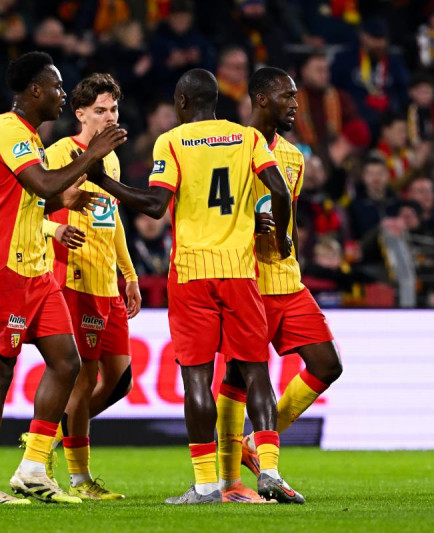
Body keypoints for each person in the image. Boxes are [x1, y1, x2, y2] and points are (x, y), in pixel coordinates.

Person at [84, 68, 294, 505]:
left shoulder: (173, 141)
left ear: (182, 103)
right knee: (255, 371)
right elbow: (280, 190)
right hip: (240, 272)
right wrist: (282, 238)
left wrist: (104, 181)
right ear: (214, 101)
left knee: (197, 377)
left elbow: (155, 205)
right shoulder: (248, 138)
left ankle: (204, 486)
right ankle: (271, 471)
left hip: (192, 274)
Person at [0, 51, 126, 505]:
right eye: (56, 87)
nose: (62, 94)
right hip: (1, 266)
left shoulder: (30, 138)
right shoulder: (8, 130)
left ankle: (32, 469)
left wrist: (63, 202)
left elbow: (38, 199)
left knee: (67, 363)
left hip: (34, 266)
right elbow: (44, 185)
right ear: (34, 90)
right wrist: (91, 155)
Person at [217, 67, 342, 504]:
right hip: (245, 279)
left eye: (295, 96)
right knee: (238, 378)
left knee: (327, 364)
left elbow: (291, 217)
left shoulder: (294, 157)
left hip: (287, 280)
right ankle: (228, 481)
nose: (294, 104)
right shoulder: (230, 147)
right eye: (287, 96)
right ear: (261, 99)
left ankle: (255, 443)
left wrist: (289, 250)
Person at [37, 73, 140, 500]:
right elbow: (26, 209)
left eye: (113, 109)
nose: (109, 117)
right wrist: (53, 230)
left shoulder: (110, 159)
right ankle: (78, 478)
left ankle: (49, 437)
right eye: (100, 110)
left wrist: (129, 275)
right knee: (83, 379)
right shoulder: (60, 153)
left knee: (121, 379)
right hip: (73, 278)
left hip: (106, 282)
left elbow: (111, 219)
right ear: (80, 114)